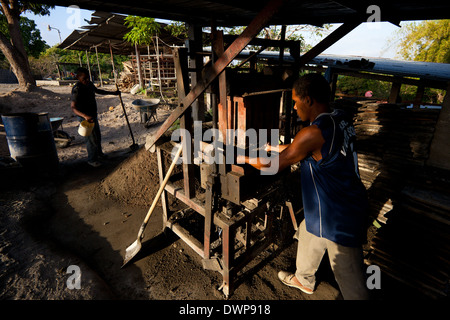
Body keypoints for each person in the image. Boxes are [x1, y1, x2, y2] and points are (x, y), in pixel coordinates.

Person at [238, 73, 370, 300]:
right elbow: (303, 148)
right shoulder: (339, 118)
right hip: (332, 204)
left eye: (296, 102)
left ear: (308, 100)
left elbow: (273, 165)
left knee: (348, 275)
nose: (294, 108)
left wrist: (243, 157)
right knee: (308, 231)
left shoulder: (313, 132)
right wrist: (274, 146)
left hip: (340, 215)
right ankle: (304, 279)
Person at [71, 67, 120, 167]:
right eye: (84, 78)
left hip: (92, 115)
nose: (87, 80)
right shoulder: (77, 89)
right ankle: (92, 159)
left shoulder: (89, 84)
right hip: (85, 117)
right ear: (78, 77)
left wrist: (113, 93)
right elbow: (73, 108)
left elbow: (98, 91)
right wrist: (85, 116)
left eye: (88, 78)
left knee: (97, 135)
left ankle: (99, 154)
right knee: (91, 138)